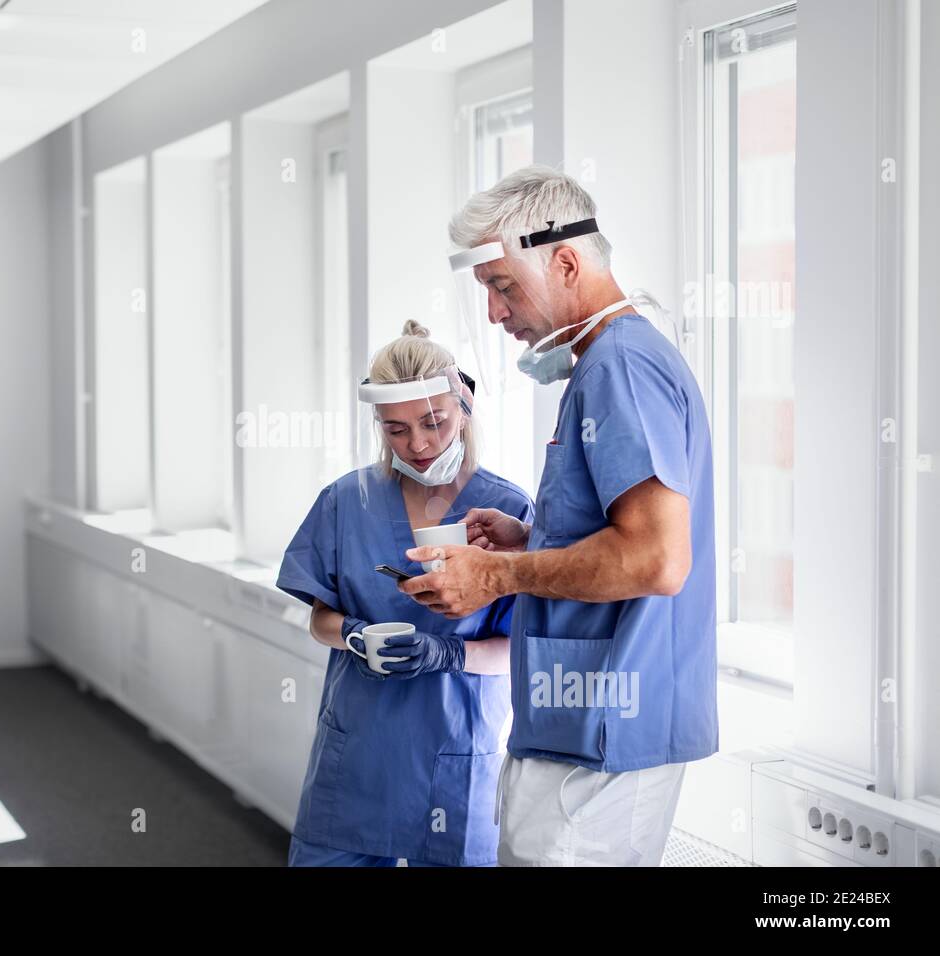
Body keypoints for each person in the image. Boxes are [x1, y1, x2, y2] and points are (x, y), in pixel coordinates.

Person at [403, 165, 718, 866]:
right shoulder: (606, 365)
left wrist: (499, 575)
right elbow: (621, 535)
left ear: (567, 261)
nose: (491, 312)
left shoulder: (621, 367)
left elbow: (657, 559)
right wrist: (535, 539)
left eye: (502, 285)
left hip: (606, 732)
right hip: (582, 722)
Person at [275, 320, 533, 867]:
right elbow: (319, 619)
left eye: (434, 422)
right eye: (395, 430)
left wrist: (448, 652)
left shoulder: (509, 512)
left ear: (464, 409)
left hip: (453, 760)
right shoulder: (346, 501)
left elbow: (523, 651)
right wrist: (351, 633)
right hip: (356, 761)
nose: (417, 445)